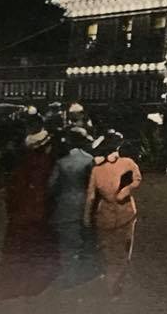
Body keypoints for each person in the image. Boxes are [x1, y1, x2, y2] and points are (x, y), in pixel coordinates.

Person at [0, 126, 60, 300]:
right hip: (39, 214)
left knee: (17, 251)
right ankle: (33, 286)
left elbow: (10, 193)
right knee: (37, 251)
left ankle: (11, 287)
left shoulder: (21, 164)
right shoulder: (48, 164)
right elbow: (52, 191)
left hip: (19, 217)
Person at [84, 130, 142, 297]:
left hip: (105, 213)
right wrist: (126, 190)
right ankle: (117, 281)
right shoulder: (128, 163)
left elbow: (91, 196)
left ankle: (110, 278)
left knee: (107, 248)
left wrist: (86, 216)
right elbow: (137, 179)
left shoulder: (97, 169)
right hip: (126, 211)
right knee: (123, 248)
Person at [48, 127, 99, 288]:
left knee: (67, 244)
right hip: (85, 203)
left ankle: (69, 275)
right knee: (86, 239)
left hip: (65, 204)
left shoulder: (61, 162)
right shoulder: (89, 159)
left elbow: (51, 186)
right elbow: (93, 185)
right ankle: (84, 274)